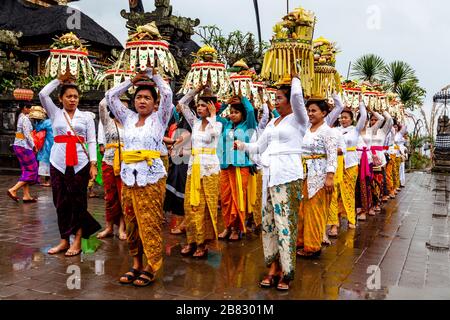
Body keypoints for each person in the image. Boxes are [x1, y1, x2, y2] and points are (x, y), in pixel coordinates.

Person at [235, 74, 308, 291]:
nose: (275, 101)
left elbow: (297, 95)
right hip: (269, 176)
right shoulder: (272, 123)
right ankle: (273, 268)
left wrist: (295, 76)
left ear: (289, 100)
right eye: (274, 98)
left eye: (279, 98)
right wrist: (242, 145)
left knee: (285, 225)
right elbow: (258, 147)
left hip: (288, 176)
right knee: (269, 225)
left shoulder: (298, 119)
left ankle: (287, 272)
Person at [105, 67, 172, 287]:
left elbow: (169, 95)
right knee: (132, 223)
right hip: (128, 177)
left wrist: (152, 75)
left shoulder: (159, 119)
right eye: (139, 97)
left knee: (150, 222)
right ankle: (136, 263)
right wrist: (131, 80)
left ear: (155, 103)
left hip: (151, 178)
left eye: (147, 98)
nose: (142, 101)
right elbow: (110, 97)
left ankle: (151, 265)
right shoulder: (128, 118)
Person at [39, 75, 101, 257]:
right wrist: (59, 80)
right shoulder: (55, 113)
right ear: (61, 98)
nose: (72, 99)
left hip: (80, 164)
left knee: (78, 203)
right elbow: (43, 94)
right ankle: (64, 240)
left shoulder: (86, 117)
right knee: (60, 202)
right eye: (68, 96)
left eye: (75, 96)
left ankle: (78, 241)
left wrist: (93, 164)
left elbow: (91, 140)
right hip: (57, 163)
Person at [177, 86, 222, 258]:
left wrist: (212, 115)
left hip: (209, 171)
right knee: (190, 206)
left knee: (206, 207)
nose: (200, 108)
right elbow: (182, 103)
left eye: (204, 105)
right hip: (193, 168)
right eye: (199, 106)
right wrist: (197, 90)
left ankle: (203, 244)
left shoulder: (217, 123)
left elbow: (213, 136)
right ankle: (192, 241)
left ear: (211, 107)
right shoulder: (194, 123)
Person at [296, 98, 338, 259]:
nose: (310, 113)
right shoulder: (307, 129)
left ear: (324, 113)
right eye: (309, 110)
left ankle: (313, 246)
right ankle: (301, 241)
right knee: (302, 210)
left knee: (314, 211)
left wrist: (330, 176)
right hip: (304, 173)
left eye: (314, 110)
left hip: (319, 176)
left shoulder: (328, 131)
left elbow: (332, 155)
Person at [217, 95, 257, 241]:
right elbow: (213, 117)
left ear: (242, 114)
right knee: (225, 199)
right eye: (231, 112)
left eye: (236, 112)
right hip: (226, 166)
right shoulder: (226, 125)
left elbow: (251, 111)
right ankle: (227, 227)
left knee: (238, 198)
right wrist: (226, 104)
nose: (232, 115)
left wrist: (242, 97)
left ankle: (237, 229)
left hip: (241, 167)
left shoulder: (248, 125)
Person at [328, 97, 367, 236]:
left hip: (351, 163)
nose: (343, 120)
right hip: (337, 163)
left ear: (351, 119)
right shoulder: (335, 130)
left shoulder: (355, 130)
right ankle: (334, 223)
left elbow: (364, 116)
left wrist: (361, 101)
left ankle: (351, 218)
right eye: (341, 117)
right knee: (334, 193)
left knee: (349, 192)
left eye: (345, 117)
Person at [96, 97, 127, 240]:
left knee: (123, 197)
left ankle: (122, 228)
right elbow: (102, 104)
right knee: (110, 197)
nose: (121, 110)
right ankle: (109, 227)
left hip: (125, 164)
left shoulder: (130, 125)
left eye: (124, 108)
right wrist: (116, 91)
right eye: (119, 107)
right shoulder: (107, 122)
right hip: (109, 162)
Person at [7, 102, 39, 203]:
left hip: (20, 146)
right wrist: (34, 146)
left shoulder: (20, 117)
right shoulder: (24, 118)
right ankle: (13, 189)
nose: (30, 110)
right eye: (29, 107)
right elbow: (27, 134)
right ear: (24, 108)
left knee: (26, 170)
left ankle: (26, 195)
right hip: (24, 147)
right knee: (32, 169)